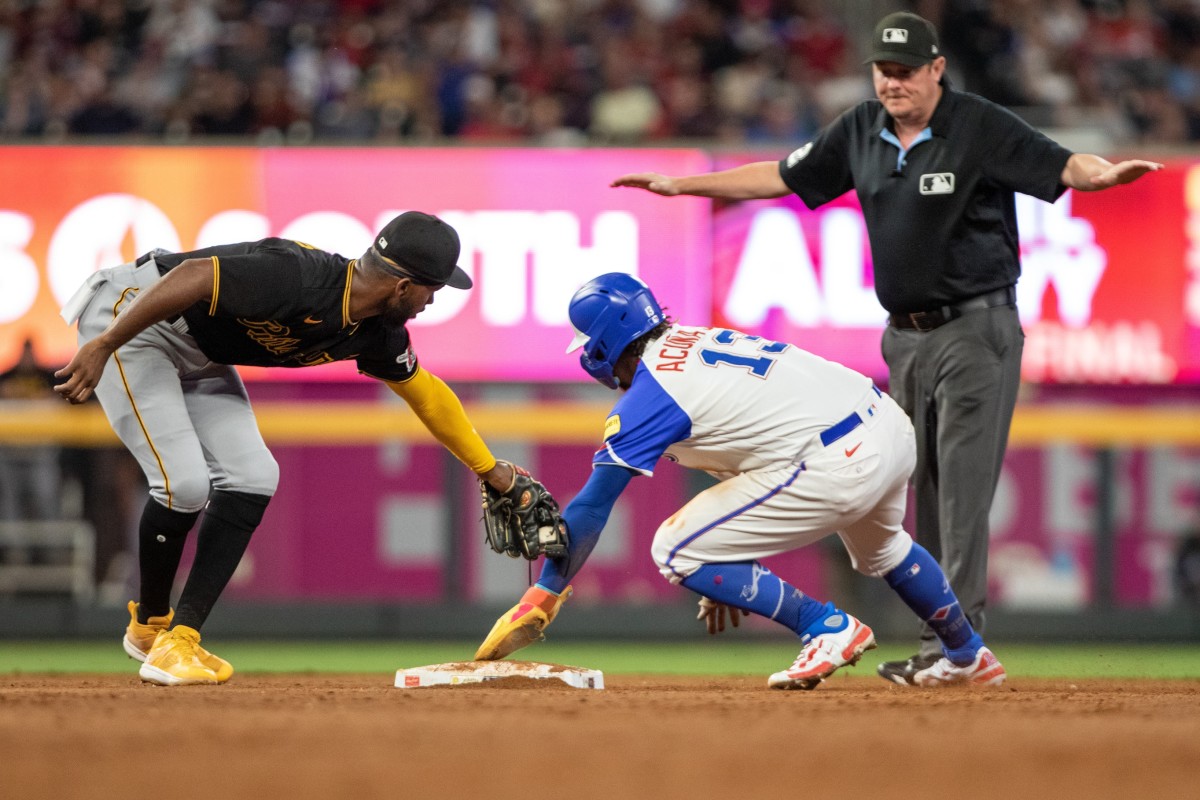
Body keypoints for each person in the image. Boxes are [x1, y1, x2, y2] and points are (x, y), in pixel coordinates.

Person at [609, 11, 1163, 686]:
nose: (892, 82)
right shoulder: (860, 130)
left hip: (976, 329)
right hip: (905, 335)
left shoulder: (978, 124)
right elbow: (782, 176)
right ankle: (952, 645)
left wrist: (1097, 175)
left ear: (937, 69)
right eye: (883, 70)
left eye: (905, 70)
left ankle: (961, 646)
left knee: (960, 489)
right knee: (908, 482)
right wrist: (682, 184)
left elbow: (1059, 163)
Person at [54, 211, 553, 686]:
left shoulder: (377, 329)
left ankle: (177, 638)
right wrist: (104, 343)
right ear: (403, 285)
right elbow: (194, 276)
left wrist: (492, 470)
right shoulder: (300, 276)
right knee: (184, 483)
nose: (433, 299)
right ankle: (151, 625)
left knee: (253, 476)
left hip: (199, 350)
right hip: (134, 317)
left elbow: (425, 392)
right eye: (433, 288)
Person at [475, 272, 1005, 690]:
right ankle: (966, 655)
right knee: (886, 548)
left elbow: (593, 504)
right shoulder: (692, 340)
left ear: (602, 345)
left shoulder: (651, 395)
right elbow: (755, 439)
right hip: (885, 423)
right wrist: (726, 565)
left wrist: (543, 593)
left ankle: (826, 626)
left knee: (675, 548)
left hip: (836, 457)